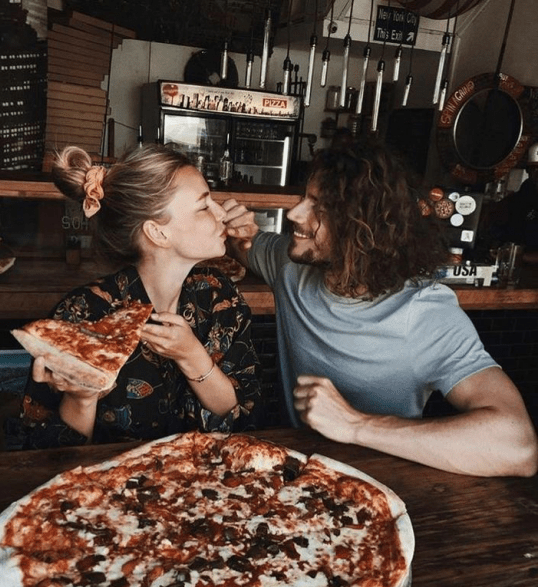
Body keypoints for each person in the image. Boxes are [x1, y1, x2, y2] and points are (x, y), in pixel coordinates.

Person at [228, 139, 538, 477]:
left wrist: (354, 425)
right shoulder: (289, 264)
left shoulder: (424, 313)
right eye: (305, 197)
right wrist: (238, 230)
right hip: (294, 476)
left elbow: (518, 446)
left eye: (319, 206)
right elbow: (244, 245)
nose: (294, 213)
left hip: (388, 486)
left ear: (364, 229)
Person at [20, 144, 262, 448]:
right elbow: (49, 453)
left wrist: (192, 357)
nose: (221, 211)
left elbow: (245, 420)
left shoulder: (219, 297)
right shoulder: (82, 314)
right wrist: (82, 397)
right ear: (157, 233)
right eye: (204, 206)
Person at [486, 142, 538, 264]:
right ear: (528, 171)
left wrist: (516, 256)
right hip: (513, 269)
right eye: (534, 169)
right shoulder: (523, 195)